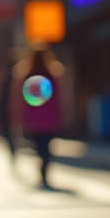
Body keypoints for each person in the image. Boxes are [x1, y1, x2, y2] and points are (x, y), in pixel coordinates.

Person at [11, 45, 66, 189]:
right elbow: (58, 99)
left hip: (33, 119)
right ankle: (44, 172)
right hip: (49, 118)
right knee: (46, 147)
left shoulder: (27, 76)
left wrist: (19, 118)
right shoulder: (52, 76)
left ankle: (42, 172)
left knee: (39, 147)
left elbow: (20, 100)